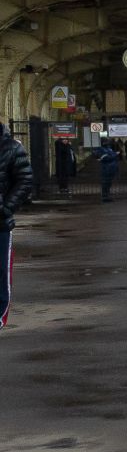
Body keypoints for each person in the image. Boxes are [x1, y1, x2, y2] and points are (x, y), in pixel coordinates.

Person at [1, 121, 34, 329]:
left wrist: (6, 207)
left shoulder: (11, 148)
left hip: (0, 225)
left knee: (0, 273)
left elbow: (25, 179)